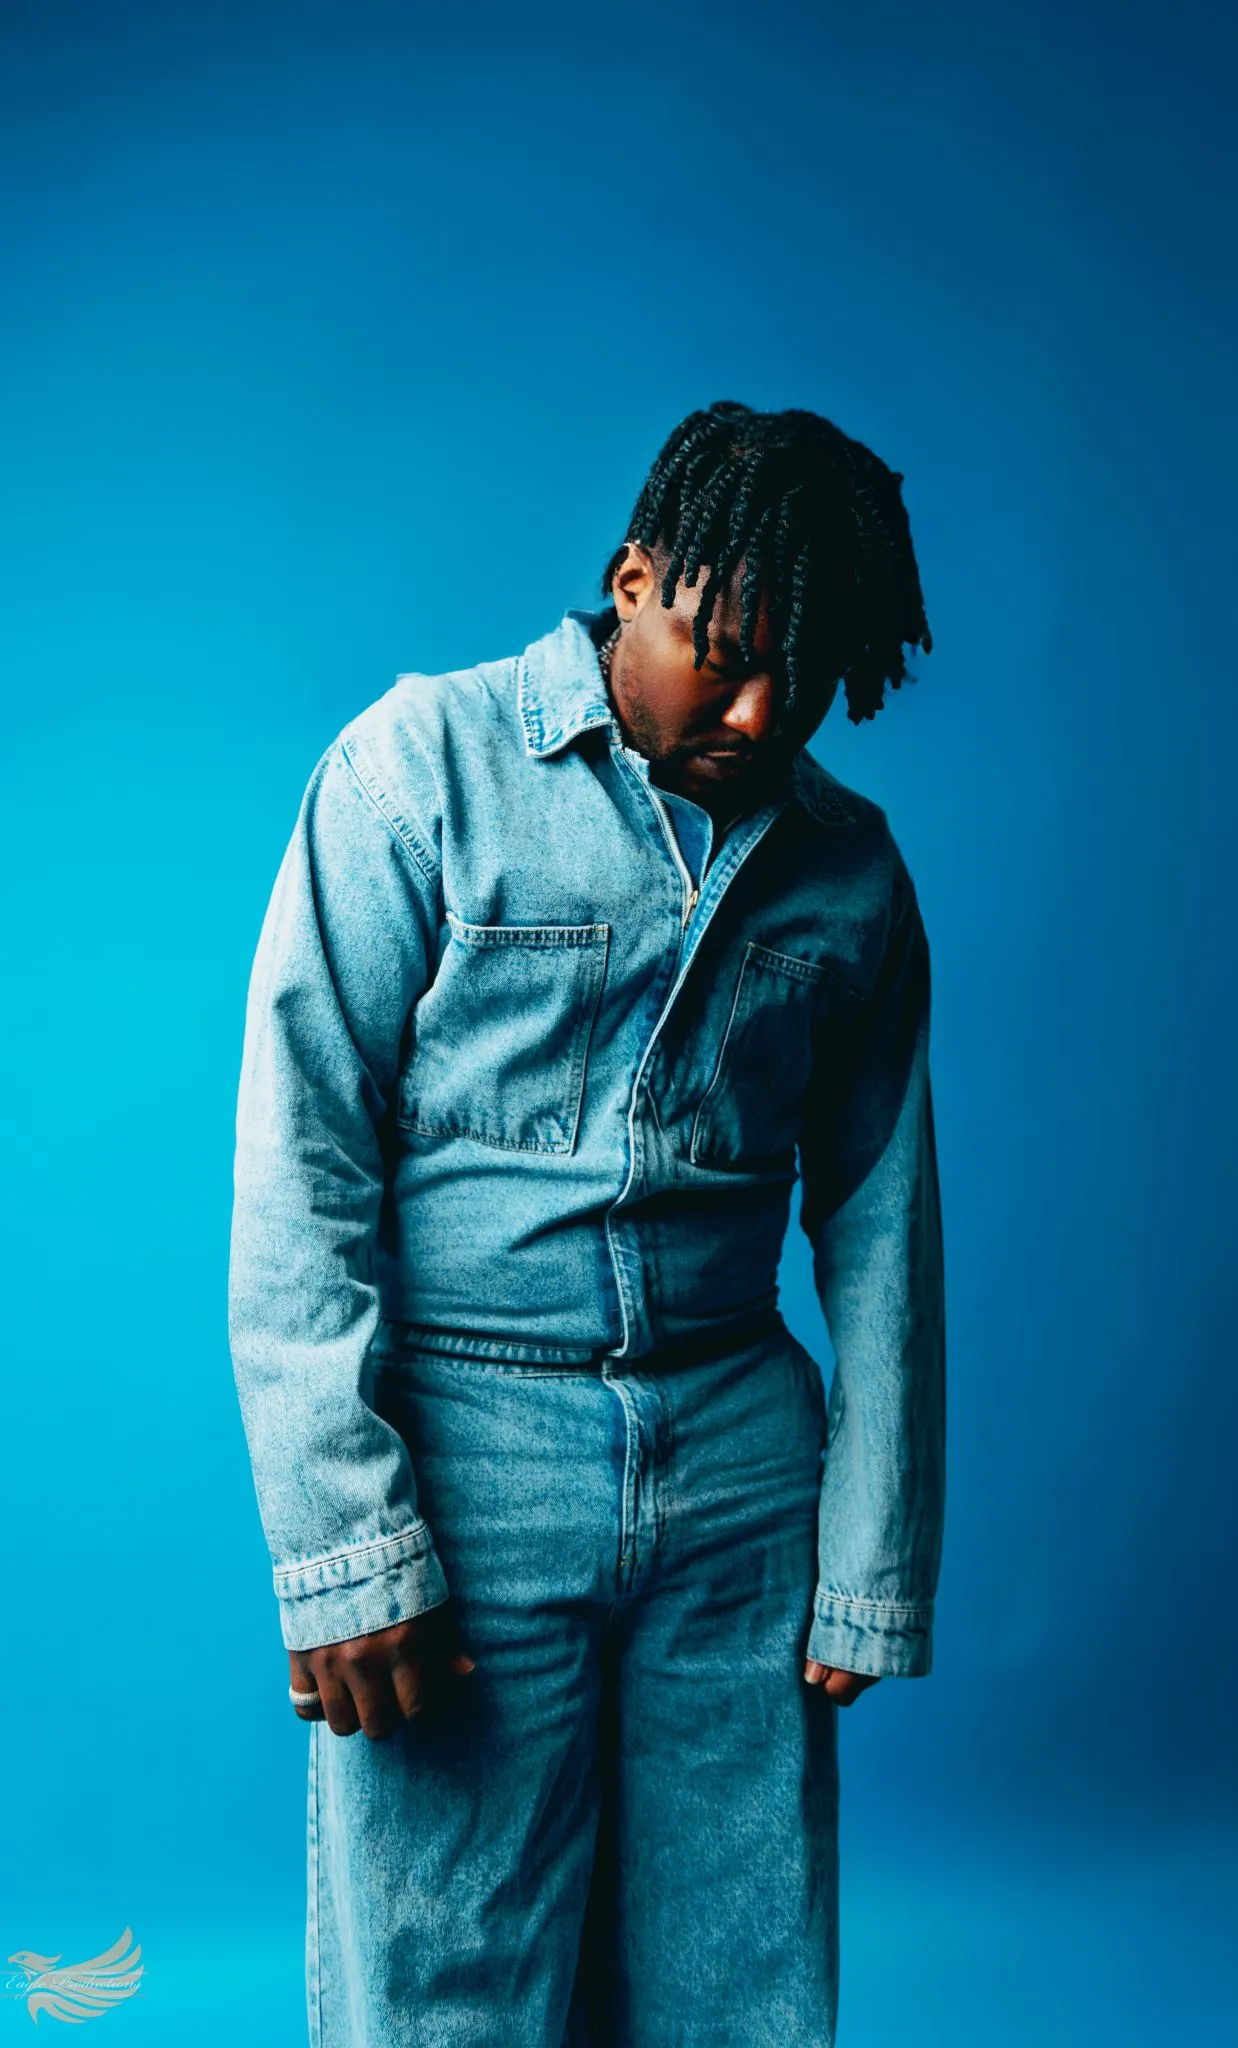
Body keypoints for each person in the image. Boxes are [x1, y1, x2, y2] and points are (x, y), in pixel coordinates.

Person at [228, 398, 947, 2047]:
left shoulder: (851, 874)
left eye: (813, 676)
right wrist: (346, 1548)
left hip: (739, 1475)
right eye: (729, 649)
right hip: (470, 1453)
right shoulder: (419, 766)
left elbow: (881, 1216)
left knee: (735, 1984)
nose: (762, 713)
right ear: (635, 580)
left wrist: (868, 1558)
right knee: (446, 1992)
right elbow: (299, 1158)